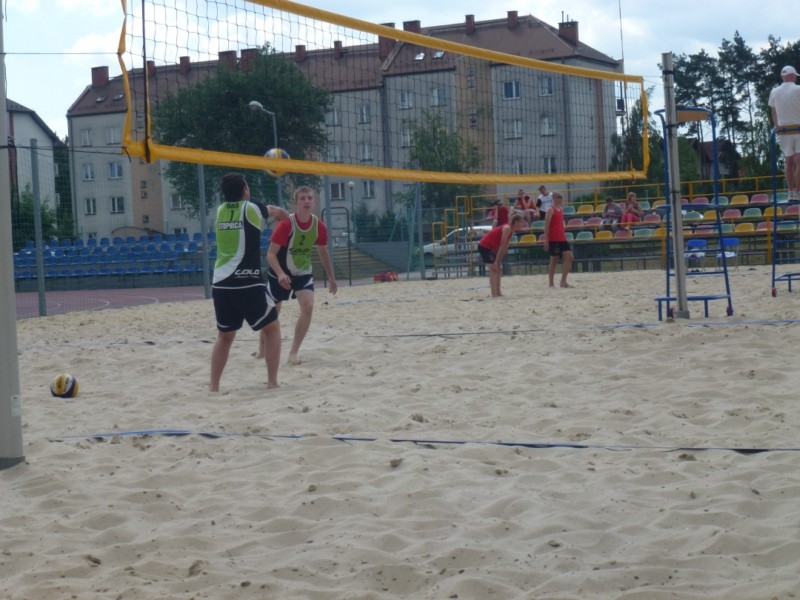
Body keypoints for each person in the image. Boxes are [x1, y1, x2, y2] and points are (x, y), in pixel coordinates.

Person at [209, 173, 288, 392]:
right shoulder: (251, 208)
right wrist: (284, 220)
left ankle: (213, 386)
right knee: (272, 328)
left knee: (224, 336)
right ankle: (272, 382)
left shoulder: (220, 211)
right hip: (247, 282)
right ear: (245, 190)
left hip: (221, 283)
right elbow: (276, 211)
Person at [265, 186, 337, 365]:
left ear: (314, 202)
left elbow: (323, 251)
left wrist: (331, 277)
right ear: (295, 203)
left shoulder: (319, 226)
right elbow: (270, 255)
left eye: (309, 198)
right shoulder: (286, 225)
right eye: (303, 198)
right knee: (271, 313)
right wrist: (281, 274)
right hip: (279, 272)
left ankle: (293, 352)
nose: (306, 201)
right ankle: (261, 349)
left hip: (302, 272)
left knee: (308, 306)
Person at [768, 65, 800, 201]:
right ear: (792, 76)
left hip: (783, 131)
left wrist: (777, 126)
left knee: (788, 162)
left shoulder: (774, 91)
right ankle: (798, 192)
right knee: (799, 162)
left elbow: (773, 111)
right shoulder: (798, 89)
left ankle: (790, 191)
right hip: (798, 129)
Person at [477, 213, 527, 297]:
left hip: (491, 247)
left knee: (498, 268)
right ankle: (494, 294)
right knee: (494, 269)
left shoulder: (511, 230)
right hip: (485, 246)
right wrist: (496, 261)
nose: (523, 224)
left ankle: (498, 292)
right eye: (521, 222)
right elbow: (502, 244)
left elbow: (505, 247)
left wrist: (499, 261)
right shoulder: (507, 228)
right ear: (516, 221)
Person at [542, 191, 573, 288]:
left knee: (569, 257)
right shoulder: (550, 210)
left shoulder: (560, 210)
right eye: (559, 197)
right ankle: (551, 283)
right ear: (554, 198)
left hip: (562, 237)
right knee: (554, 260)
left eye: (561, 197)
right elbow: (546, 225)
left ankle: (563, 281)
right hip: (553, 238)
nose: (561, 199)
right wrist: (546, 240)